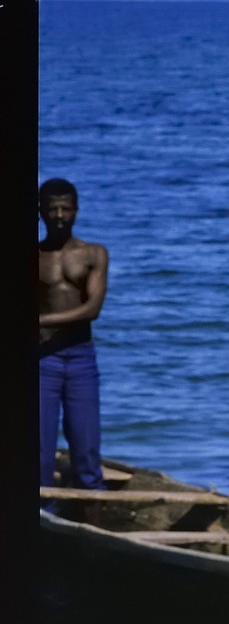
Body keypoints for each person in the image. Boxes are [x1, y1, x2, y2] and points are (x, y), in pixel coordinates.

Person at [38, 177, 108, 490]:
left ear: (76, 211)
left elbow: (92, 308)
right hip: (43, 360)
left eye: (66, 209)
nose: (59, 216)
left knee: (87, 450)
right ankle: (42, 513)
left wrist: (41, 320)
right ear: (40, 212)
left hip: (81, 358)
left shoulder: (94, 254)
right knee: (40, 454)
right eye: (52, 209)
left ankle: (92, 511)